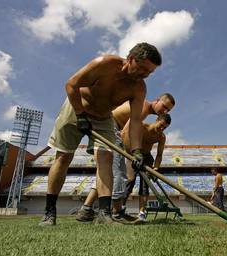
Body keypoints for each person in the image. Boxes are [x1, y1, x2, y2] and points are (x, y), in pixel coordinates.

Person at [39, 42, 162, 226]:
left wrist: (137, 151)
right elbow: (72, 84)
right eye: (143, 68)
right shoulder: (105, 64)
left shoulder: (139, 88)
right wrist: (80, 115)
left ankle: (104, 214)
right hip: (77, 107)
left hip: (104, 117)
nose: (145, 74)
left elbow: (135, 121)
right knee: (64, 157)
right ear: (130, 59)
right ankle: (49, 212)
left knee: (106, 157)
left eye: (149, 72)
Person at [76, 93, 175, 222]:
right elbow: (125, 132)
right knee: (120, 173)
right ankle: (117, 212)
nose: (164, 111)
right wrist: (133, 155)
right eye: (164, 106)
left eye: (168, 110)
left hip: (109, 126)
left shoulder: (149, 118)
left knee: (107, 173)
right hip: (111, 126)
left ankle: (86, 209)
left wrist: (146, 162)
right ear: (157, 100)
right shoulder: (142, 107)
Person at [122, 113, 171, 222]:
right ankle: (121, 208)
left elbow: (159, 155)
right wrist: (133, 155)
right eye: (161, 125)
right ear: (157, 120)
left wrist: (156, 168)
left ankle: (142, 213)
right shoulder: (142, 127)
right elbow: (126, 137)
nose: (162, 128)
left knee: (145, 186)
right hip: (134, 154)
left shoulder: (161, 137)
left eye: (165, 128)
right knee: (130, 181)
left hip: (147, 157)